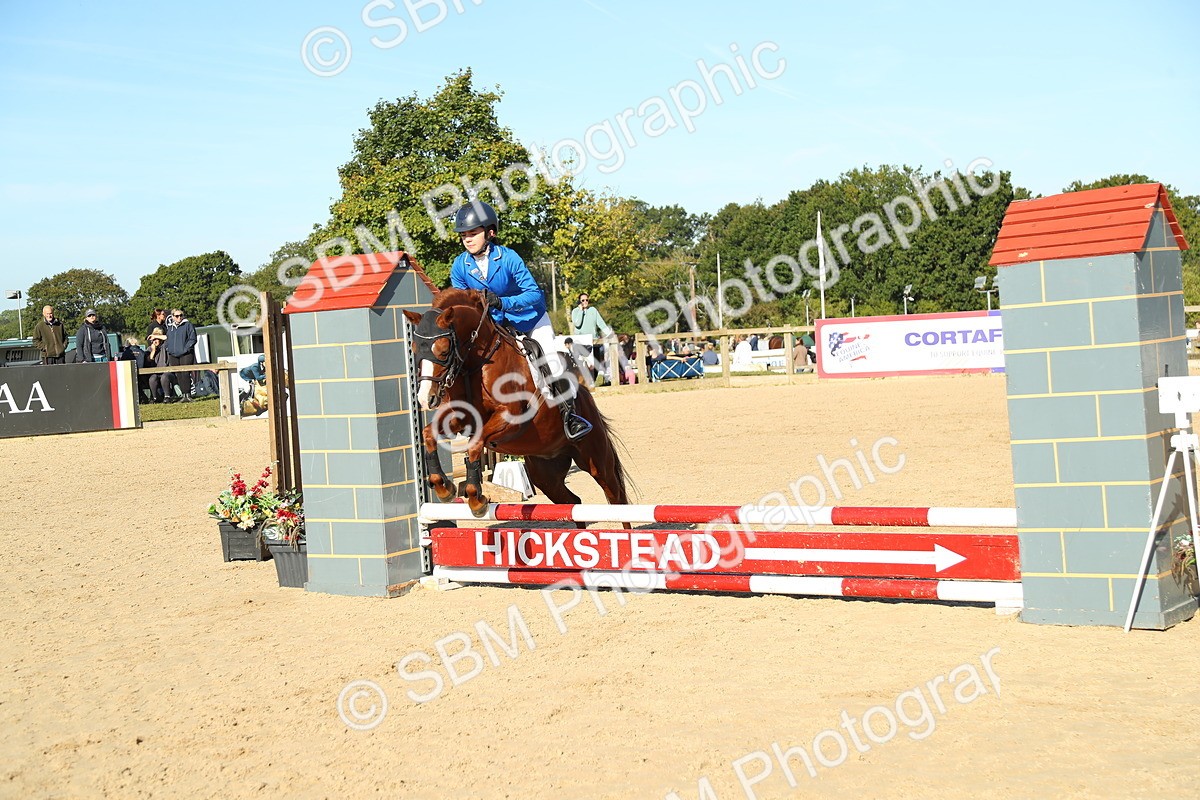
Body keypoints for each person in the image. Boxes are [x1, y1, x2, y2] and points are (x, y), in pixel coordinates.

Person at [448, 200, 592, 440]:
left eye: (473, 233)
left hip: (529, 320)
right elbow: (462, 303)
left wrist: (503, 302)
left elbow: (534, 294)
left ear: (490, 232)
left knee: (552, 364)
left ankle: (571, 417)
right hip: (496, 326)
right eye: (464, 235)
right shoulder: (460, 266)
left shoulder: (508, 258)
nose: (467, 239)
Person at [569, 292, 612, 366]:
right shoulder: (575, 311)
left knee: (596, 366)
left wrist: (609, 333)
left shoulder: (593, 310)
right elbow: (577, 324)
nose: (585, 302)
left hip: (594, 342)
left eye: (587, 300)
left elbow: (601, 323)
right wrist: (581, 310)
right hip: (581, 343)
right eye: (583, 300)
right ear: (579, 301)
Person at [166, 308, 198, 401]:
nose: (179, 317)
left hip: (186, 354)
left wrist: (186, 349)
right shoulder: (170, 328)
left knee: (185, 373)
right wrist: (169, 348)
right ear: (173, 317)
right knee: (178, 374)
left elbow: (193, 339)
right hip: (173, 355)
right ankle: (183, 395)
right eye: (176, 316)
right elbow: (168, 339)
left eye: (180, 315)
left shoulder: (188, 325)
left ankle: (188, 395)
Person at [145, 309, 170, 402]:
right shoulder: (151, 326)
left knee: (164, 377)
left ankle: (167, 396)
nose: (155, 341)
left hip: (165, 370)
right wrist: (153, 351)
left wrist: (157, 336)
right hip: (154, 371)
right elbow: (148, 362)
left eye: (156, 339)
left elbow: (168, 338)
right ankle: (155, 397)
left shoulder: (164, 347)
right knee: (152, 378)